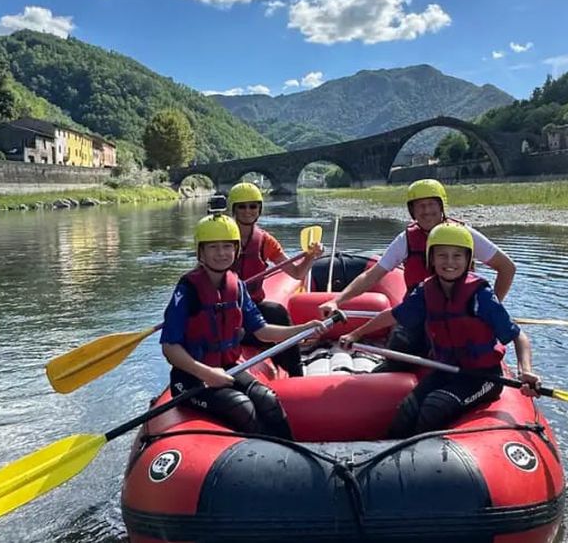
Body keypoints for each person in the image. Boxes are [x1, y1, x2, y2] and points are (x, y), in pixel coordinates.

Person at [338, 222, 539, 437]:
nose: (450, 262)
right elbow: (393, 315)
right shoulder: (427, 290)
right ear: (431, 259)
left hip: (483, 377)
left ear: (468, 260)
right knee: (406, 412)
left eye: (457, 256)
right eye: (442, 256)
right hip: (447, 370)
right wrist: (356, 333)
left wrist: (525, 370)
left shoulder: (481, 297)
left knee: (434, 407)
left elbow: (519, 336)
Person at [160, 213, 327, 439]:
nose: (221, 253)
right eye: (213, 247)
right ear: (201, 252)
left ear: (236, 250)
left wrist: (302, 329)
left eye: (227, 246)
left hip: (231, 367)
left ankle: (294, 452)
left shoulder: (236, 287)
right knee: (241, 407)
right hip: (189, 380)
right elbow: (170, 347)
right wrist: (206, 373)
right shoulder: (187, 290)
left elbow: (263, 331)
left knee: (268, 401)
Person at [318, 179, 516, 368]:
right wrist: (338, 300)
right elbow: (372, 275)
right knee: (399, 353)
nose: (427, 211)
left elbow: (507, 268)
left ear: (441, 207)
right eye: (420, 206)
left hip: (456, 316)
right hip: (418, 311)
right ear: (412, 210)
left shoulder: (464, 235)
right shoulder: (406, 239)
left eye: (431, 204)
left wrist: (485, 309)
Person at [228, 181, 324, 376]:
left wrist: (310, 257)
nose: (248, 211)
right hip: (224, 308)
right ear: (234, 210)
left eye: (253, 206)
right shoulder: (221, 239)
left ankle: (295, 371)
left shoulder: (265, 241)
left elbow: (297, 273)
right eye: (242, 207)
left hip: (251, 308)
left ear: (259, 209)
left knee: (276, 312)